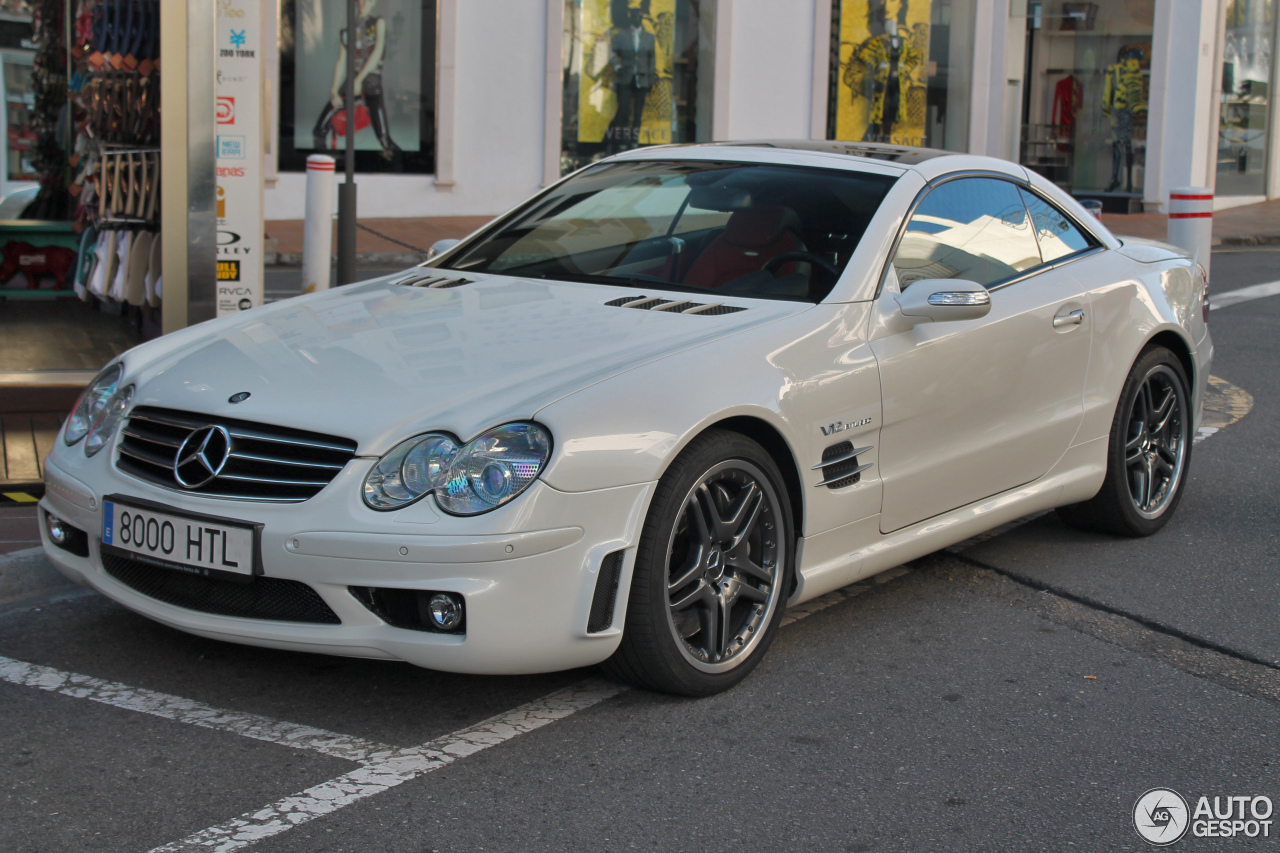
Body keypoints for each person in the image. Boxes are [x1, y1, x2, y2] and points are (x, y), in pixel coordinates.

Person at [312, 0, 401, 157]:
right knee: (321, 127)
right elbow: (341, 61)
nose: (363, 2)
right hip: (353, 82)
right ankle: (324, 158)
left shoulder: (378, 23)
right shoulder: (348, 31)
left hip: (370, 82)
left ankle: (398, 161)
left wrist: (359, 80)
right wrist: (334, 90)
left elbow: (377, 53)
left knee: (384, 136)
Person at [607, 7, 657, 152]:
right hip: (625, 78)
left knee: (638, 113)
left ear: (642, 19)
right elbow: (611, 53)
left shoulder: (649, 37)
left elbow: (651, 60)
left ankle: (634, 140)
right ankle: (622, 140)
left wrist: (650, 79)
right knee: (623, 111)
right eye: (634, 17)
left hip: (641, 79)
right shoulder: (622, 36)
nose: (637, 19)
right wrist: (616, 67)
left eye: (639, 17)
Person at [1103, 47, 1146, 192]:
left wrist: (1106, 108)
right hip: (1127, 111)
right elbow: (1136, 93)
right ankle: (1127, 183)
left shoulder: (1114, 69)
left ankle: (1117, 179)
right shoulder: (1134, 71)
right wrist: (1138, 108)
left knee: (1117, 145)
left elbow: (1108, 90)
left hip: (1117, 109)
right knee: (1125, 145)